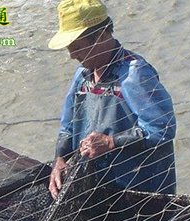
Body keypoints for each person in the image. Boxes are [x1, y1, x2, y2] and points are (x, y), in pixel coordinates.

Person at [47, 0, 176, 200]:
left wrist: (110, 142)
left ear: (102, 36)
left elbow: (162, 129)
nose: (72, 55)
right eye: (69, 48)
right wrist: (60, 159)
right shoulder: (82, 76)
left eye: (78, 47)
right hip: (93, 185)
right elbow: (68, 127)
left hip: (137, 195)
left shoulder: (135, 74)